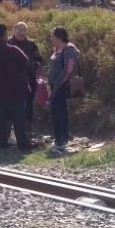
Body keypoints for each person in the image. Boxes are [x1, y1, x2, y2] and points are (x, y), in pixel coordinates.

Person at [0, 22, 37, 151]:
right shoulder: (12, 49)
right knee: (18, 119)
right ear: (6, 35)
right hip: (16, 89)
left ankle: (1, 143)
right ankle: (22, 143)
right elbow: (25, 61)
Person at [46, 26, 80, 154]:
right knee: (55, 111)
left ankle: (62, 137)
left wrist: (58, 83)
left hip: (62, 86)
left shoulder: (69, 49)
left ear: (58, 36)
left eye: (52, 36)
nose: (51, 38)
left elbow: (69, 68)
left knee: (60, 112)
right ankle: (58, 136)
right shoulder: (56, 49)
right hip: (54, 86)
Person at [8, 21, 43, 136]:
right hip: (13, 81)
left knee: (28, 104)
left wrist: (37, 66)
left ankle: (27, 130)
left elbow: (39, 59)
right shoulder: (9, 43)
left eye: (24, 30)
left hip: (30, 79)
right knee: (14, 105)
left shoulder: (31, 44)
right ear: (14, 30)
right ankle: (15, 130)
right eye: (19, 29)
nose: (22, 32)